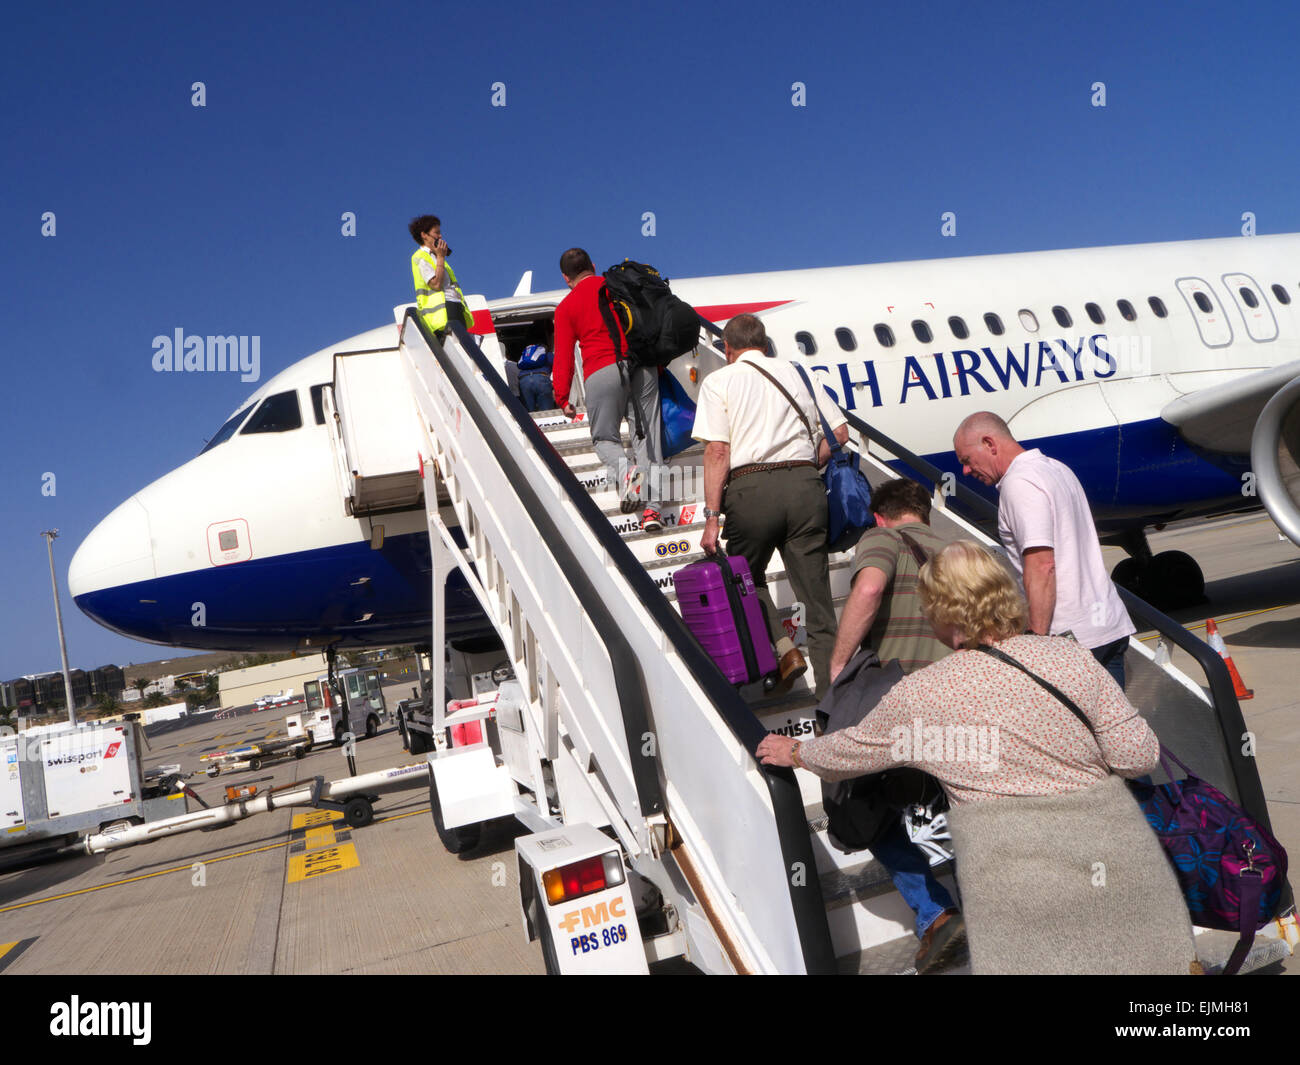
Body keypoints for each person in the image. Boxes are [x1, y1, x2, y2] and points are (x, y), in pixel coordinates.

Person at [757, 540, 1196, 975]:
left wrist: (795, 750)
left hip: (1019, 884)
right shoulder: (1070, 656)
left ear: (943, 612)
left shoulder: (923, 694)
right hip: (1117, 863)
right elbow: (1138, 756)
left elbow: (850, 752)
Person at [824, 476, 961, 968]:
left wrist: (839, 666)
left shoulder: (880, 538)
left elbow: (870, 586)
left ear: (880, 515)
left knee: (867, 810)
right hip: (961, 696)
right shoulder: (958, 549)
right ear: (924, 512)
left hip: (900, 703)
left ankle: (935, 914)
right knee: (962, 803)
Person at [693, 313, 848, 698]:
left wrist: (711, 518)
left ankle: (784, 649)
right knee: (818, 602)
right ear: (764, 343)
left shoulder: (719, 381)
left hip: (751, 489)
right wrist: (810, 463)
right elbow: (840, 432)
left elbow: (717, 451)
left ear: (727, 349)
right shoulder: (799, 373)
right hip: (804, 486)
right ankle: (831, 704)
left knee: (744, 576)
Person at [952, 411, 1134, 688]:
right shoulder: (1056, 468)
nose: (965, 471)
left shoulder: (1019, 483)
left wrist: (1037, 641)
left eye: (966, 460)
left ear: (990, 443)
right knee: (1115, 727)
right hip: (1107, 626)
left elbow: (1042, 565)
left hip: (1071, 639)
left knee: (1071, 731)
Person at [553, 248, 663, 532]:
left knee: (605, 438)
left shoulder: (566, 307)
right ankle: (653, 512)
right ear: (593, 265)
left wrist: (563, 397)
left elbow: (563, 356)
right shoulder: (618, 285)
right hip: (642, 366)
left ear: (566, 278)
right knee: (647, 436)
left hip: (602, 370)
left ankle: (628, 474)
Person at [408, 215, 476, 339]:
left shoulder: (438, 256)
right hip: (443, 313)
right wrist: (440, 257)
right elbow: (436, 284)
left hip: (455, 305)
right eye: (437, 233)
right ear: (424, 235)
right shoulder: (420, 257)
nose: (440, 236)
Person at [517, 325, 556, 412]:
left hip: (524, 379)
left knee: (529, 413)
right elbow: (556, 367)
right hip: (541, 378)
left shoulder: (527, 352)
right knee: (547, 412)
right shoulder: (546, 352)